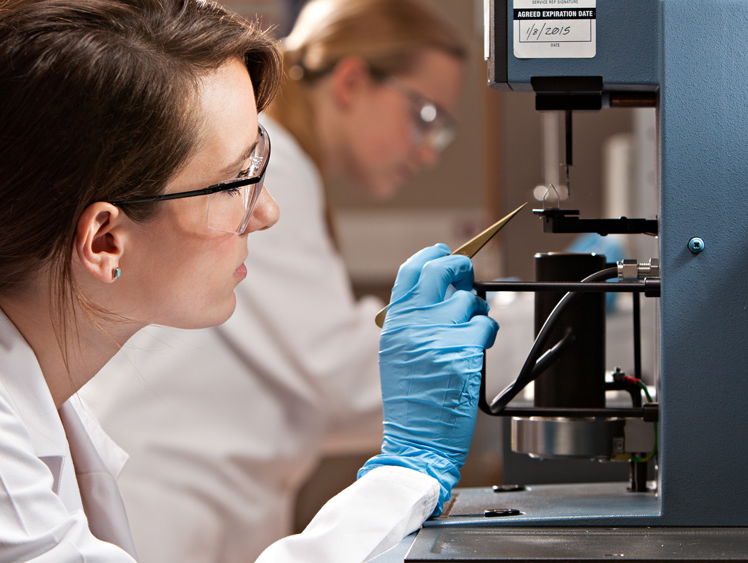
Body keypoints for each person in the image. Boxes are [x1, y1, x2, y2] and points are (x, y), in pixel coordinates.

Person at [0, 0, 496, 561]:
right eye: (237, 182)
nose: (269, 209)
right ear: (105, 240)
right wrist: (404, 473)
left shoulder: (23, 404)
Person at [79, 0, 468, 561]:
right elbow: (334, 368)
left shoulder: (285, 168)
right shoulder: (270, 163)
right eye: (426, 117)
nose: (429, 151)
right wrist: (523, 332)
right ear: (352, 80)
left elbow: (311, 390)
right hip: (169, 491)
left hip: (215, 491)